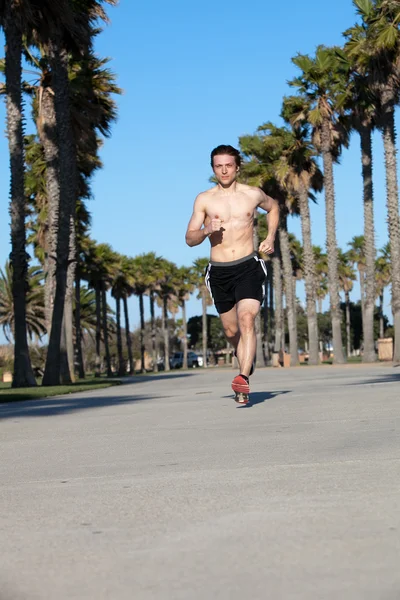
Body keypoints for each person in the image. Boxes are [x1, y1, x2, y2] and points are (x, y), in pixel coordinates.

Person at [185, 144, 279, 403]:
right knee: (230, 331)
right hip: (219, 272)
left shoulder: (252, 194)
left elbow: (274, 207)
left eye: (228, 165)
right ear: (213, 168)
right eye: (218, 166)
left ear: (237, 167)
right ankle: (247, 359)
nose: (223, 170)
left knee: (247, 319)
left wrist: (270, 237)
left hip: (248, 266)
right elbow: (189, 239)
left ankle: (243, 378)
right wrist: (206, 231)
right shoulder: (204, 199)